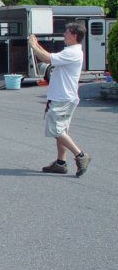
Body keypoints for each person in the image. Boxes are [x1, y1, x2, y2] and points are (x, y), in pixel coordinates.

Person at [28, 22, 91, 177]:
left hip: (63, 98)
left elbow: (47, 59)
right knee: (62, 130)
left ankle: (81, 156)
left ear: (74, 35)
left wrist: (33, 46)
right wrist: (36, 44)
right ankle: (60, 163)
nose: (64, 34)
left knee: (56, 130)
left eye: (66, 32)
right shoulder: (70, 51)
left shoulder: (73, 52)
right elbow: (51, 57)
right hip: (62, 97)